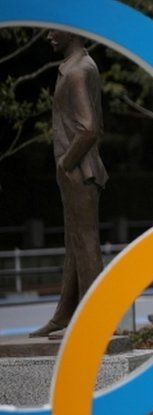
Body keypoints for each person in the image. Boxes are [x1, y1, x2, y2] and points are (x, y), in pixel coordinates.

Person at [29, 30, 108, 339]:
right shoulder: (79, 66)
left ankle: (94, 320)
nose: (48, 35)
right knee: (76, 245)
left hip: (79, 169)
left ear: (72, 32)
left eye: (54, 29)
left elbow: (89, 127)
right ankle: (65, 316)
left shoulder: (78, 71)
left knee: (86, 244)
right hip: (77, 169)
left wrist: (66, 161)